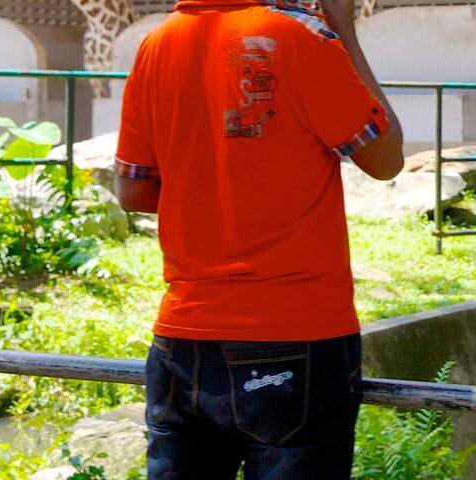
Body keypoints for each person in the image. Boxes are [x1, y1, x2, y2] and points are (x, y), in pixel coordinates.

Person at [113, 0, 403, 477]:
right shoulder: (303, 37)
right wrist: (345, 29)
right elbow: (386, 157)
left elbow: (133, 189)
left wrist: (215, 190)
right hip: (298, 337)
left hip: (184, 343)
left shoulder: (157, 44)